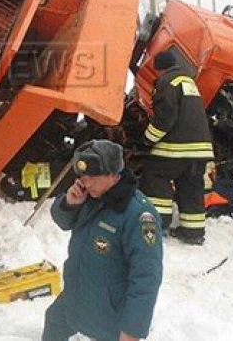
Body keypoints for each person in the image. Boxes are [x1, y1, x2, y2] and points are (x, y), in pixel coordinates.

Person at [42, 139, 163, 341]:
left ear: (113, 175)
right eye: (82, 176)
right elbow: (63, 221)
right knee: (54, 321)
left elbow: (146, 277)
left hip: (109, 312)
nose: (85, 183)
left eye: (92, 177)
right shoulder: (89, 196)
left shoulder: (139, 215)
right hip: (77, 296)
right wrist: (70, 203)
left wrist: (132, 330)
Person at [138, 51, 214, 245]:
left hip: (178, 147)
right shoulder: (188, 82)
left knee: (155, 175)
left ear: (159, 68)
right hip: (201, 149)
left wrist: (147, 138)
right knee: (191, 187)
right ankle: (194, 233)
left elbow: (165, 117)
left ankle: (159, 223)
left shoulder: (166, 82)